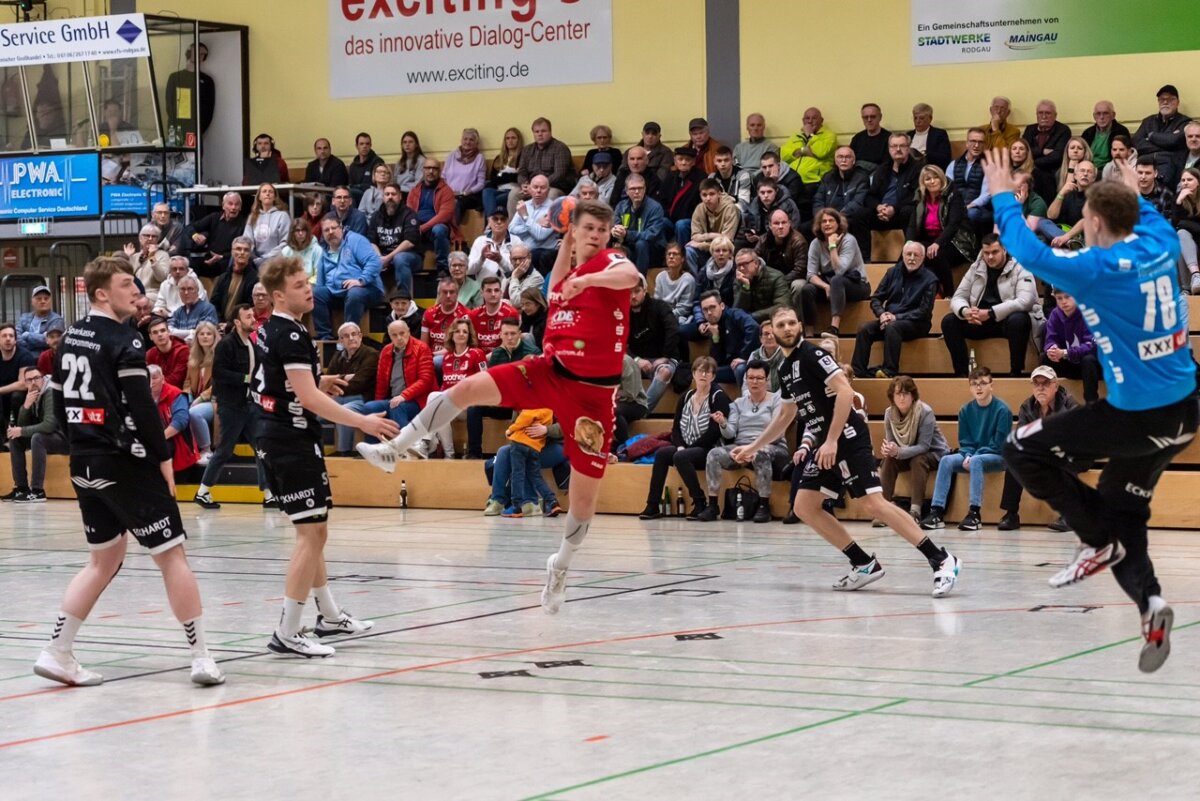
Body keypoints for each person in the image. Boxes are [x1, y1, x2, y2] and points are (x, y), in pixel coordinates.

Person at [357, 200, 641, 617]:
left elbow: (631, 275)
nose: (596, 235)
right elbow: (562, 274)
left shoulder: (609, 265)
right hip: (550, 372)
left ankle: (560, 566)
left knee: (583, 506)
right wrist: (568, 247)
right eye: (588, 229)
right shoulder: (561, 280)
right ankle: (394, 448)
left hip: (591, 399)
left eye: (602, 229)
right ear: (574, 232)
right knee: (467, 388)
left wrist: (588, 278)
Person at [989, 144, 1199, 670]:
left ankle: (1096, 540)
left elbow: (1032, 254)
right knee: (1123, 510)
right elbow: (1146, 214)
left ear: (1098, 223)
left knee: (1020, 449)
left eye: (1085, 217)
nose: (1082, 223)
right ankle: (1151, 606)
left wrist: (1003, 198)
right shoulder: (1158, 241)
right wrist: (1131, 191)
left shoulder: (1097, 267)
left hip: (1137, 416)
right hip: (1183, 415)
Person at [33, 256, 223, 687]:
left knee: (103, 561)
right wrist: (163, 459)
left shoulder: (67, 339)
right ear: (102, 293)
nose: (136, 293)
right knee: (172, 555)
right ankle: (201, 658)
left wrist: (83, 442)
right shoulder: (125, 339)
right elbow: (142, 407)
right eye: (126, 285)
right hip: (124, 459)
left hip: (84, 460)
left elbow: (58, 406)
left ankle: (57, 651)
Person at [733, 306, 962, 596]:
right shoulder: (784, 369)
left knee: (873, 504)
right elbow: (785, 416)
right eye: (781, 325)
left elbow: (845, 392)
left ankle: (941, 558)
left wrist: (831, 440)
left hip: (847, 437)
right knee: (804, 505)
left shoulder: (813, 355)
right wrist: (752, 446)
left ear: (800, 325)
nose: (788, 328)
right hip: (826, 443)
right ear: (772, 332)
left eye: (792, 322)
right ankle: (864, 563)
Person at [255, 256, 400, 658]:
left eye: (308, 282)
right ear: (279, 295)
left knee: (314, 530)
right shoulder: (291, 333)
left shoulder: (274, 328)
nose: (309, 290)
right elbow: (308, 399)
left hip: (280, 432)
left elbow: (281, 381)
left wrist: (319, 380)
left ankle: (330, 616)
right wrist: (364, 422)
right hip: (289, 437)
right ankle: (287, 631)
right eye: (300, 285)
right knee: (311, 533)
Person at [193, 305, 270, 510]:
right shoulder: (226, 344)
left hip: (250, 405)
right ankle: (202, 492)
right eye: (248, 316)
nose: (253, 319)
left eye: (253, 315)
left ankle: (269, 494)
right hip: (231, 406)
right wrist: (245, 378)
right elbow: (219, 373)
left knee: (262, 448)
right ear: (237, 322)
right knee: (225, 450)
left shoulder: (251, 343)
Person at [637, 356, 731, 521]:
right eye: (700, 371)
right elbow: (675, 429)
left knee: (681, 457)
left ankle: (699, 502)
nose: (703, 375)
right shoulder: (685, 397)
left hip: (709, 449)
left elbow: (714, 432)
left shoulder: (718, 397)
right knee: (662, 454)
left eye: (708, 372)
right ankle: (652, 505)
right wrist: (680, 446)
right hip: (686, 447)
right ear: (693, 374)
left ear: (713, 376)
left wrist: (688, 449)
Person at [919, 367, 1012, 531]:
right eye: (974, 384)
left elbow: (998, 444)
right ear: (970, 387)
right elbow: (965, 442)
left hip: (998, 457)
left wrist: (973, 455)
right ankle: (937, 512)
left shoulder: (1002, 410)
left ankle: (975, 514)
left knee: (976, 460)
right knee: (946, 460)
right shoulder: (965, 410)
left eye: (983, 383)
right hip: (974, 455)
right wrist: (968, 454)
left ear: (991, 385)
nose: (978, 387)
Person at [695, 359, 788, 523]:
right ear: (745, 380)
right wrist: (723, 423)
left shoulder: (777, 400)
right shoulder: (738, 403)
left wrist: (752, 448)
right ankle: (713, 505)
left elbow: (777, 432)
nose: (754, 382)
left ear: (767, 380)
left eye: (759, 378)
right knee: (714, 454)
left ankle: (764, 505)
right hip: (741, 446)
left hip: (772, 446)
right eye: (751, 378)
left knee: (761, 453)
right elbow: (730, 433)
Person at [941, 233, 1042, 377]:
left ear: (1004, 250)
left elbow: (1025, 301)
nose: (990, 257)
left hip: (1005, 322)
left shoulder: (1021, 267)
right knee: (949, 321)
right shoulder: (976, 267)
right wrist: (965, 311)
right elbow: (958, 297)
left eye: (995, 252)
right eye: (986, 253)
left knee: (1019, 319)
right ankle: (961, 374)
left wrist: (990, 313)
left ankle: (1016, 372)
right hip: (979, 321)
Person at [998, 365, 1079, 532]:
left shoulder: (1070, 404)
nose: (1040, 387)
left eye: (1046, 383)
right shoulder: (1027, 407)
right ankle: (1011, 515)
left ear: (1055, 386)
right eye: (1036, 383)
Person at [851, 240, 938, 379]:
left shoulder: (930, 279)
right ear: (903, 255)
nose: (911, 258)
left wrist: (896, 317)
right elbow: (876, 298)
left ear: (923, 258)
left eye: (916, 255)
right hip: (890, 320)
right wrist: (881, 314)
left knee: (893, 327)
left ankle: (889, 370)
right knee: (864, 329)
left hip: (917, 323)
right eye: (908, 254)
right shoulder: (892, 272)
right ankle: (857, 372)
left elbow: (924, 311)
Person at [877, 375, 948, 525]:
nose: (902, 398)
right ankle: (883, 510)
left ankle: (915, 510)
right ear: (892, 396)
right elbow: (892, 442)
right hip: (907, 454)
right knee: (889, 459)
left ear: (913, 395)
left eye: (906, 393)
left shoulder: (925, 411)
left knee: (918, 459)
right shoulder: (889, 413)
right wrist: (888, 449)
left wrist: (898, 452)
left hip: (935, 454)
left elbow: (924, 446)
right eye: (898, 394)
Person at [467, 317, 538, 459]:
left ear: (519, 334)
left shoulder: (532, 352)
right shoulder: (497, 353)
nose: (509, 338)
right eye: (506, 334)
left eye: (513, 334)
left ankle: (520, 453)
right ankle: (474, 454)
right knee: (474, 407)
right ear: (500, 335)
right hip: (503, 402)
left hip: (523, 404)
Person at [356, 319, 436, 434]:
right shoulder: (386, 351)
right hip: (394, 398)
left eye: (402, 333)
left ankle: (407, 443)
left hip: (418, 400)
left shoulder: (421, 348)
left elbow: (426, 380)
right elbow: (381, 383)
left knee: (397, 406)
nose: (399, 338)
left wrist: (404, 396)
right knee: (370, 407)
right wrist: (380, 403)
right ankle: (377, 444)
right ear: (390, 337)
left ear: (408, 332)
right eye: (394, 335)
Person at [312, 214, 384, 340]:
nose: (330, 232)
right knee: (316, 293)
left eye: (333, 228)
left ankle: (349, 336)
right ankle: (325, 337)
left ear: (341, 227)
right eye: (326, 230)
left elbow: (374, 261)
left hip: (367, 289)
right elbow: (320, 283)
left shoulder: (355, 240)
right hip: (337, 293)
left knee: (354, 293)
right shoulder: (324, 251)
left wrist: (361, 281)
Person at [908, 164, 976, 297]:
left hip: (957, 242)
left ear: (942, 178)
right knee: (908, 253)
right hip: (930, 241)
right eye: (928, 179)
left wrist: (937, 243)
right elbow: (912, 224)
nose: (932, 181)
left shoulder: (953, 195)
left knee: (936, 254)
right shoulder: (921, 198)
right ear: (923, 182)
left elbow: (953, 224)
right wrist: (909, 243)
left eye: (935, 177)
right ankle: (901, 293)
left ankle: (949, 294)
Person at [801, 208, 870, 337]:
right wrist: (825, 287)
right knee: (807, 289)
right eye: (824, 221)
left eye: (831, 220)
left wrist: (832, 246)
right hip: (830, 284)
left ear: (838, 223)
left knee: (836, 280)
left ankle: (834, 328)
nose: (827, 224)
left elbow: (840, 271)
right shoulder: (816, 243)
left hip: (856, 285)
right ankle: (809, 333)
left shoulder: (849, 240)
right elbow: (810, 274)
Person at [3, 367, 67, 504]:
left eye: (36, 378)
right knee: (15, 438)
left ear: (43, 379)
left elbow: (49, 425)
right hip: (50, 438)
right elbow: (22, 425)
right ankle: (21, 488)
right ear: (25, 383)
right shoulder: (32, 394)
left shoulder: (51, 392)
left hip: (65, 439)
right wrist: (26, 406)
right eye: (29, 380)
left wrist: (21, 430)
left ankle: (38, 491)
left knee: (38, 438)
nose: (33, 382)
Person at [629, 274, 680, 412]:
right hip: (637, 361)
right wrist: (636, 360)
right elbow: (618, 343)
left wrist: (665, 356)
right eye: (628, 292)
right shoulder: (622, 312)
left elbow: (673, 330)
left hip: (663, 359)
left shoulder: (660, 306)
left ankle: (641, 411)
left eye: (637, 291)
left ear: (645, 290)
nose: (633, 296)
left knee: (664, 371)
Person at [780, 107, 837, 227]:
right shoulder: (796, 136)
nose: (810, 121)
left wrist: (810, 135)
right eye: (807, 118)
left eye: (814, 118)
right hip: (794, 180)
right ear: (803, 120)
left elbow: (821, 151)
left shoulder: (829, 135)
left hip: (815, 180)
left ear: (821, 120)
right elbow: (783, 155)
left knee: (804, 208)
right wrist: (804, 150)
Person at [1043, 288, 1101, 403]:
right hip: (1069, 363)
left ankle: (1091, 404)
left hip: (1091, 366)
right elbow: (1050, 338)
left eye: (1067, 297)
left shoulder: (1088, 313)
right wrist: (1052, 349)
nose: (1064, 302)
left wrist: (1066, 353)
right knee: (1045, 359)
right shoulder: (1055, 314)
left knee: (1088, 360)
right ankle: (1048, 403)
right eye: (1059, 298)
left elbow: (1092, 345)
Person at [501, 407, 557, 517]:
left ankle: (516, 508)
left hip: (520, 443)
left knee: (517, 475)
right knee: (536, 476)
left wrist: (511, 429)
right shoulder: (550, 409)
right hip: (535, 447)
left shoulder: (533, 404)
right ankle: (552, 501)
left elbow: (525, 416)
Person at [694, 289, 759, 384]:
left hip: (750, 362)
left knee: (740, 368)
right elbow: (716, 362)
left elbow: (753, 327)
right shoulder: (712, 326)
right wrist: (715, 337)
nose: (709, 312)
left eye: (712, 307)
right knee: (707, 374)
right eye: (705, 309)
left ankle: (747, 393)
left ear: (722, 306)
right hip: (731, 364)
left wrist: (744, 356)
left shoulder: (735, 314)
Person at [866, 133, 923, 235]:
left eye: (902, 146)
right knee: (859, 214)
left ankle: (909, 244)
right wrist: (878, 207)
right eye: (894, 146)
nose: (898, 149)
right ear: (889, 149)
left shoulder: (918, 169)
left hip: (901, 213)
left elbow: (915, 197)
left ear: (908, 148)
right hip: (881, 213)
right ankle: (864, 246)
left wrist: (894, 209)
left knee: (908, 211)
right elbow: (871, 195)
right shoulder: (882, 169)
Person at [611, 173, 667, 273]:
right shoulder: (621, 206)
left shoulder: (655, 207)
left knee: (641, 244)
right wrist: (615, 231)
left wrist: (627, 234)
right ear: (627, 191)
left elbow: (651, 235)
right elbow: (616, 224)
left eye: (640, 188)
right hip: (630, 246)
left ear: (645, 189)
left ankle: (640, 279)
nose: (637, 192)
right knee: (608, 239)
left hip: (652, 249)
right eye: (633, 189)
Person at [1133, 84, 1191, 179]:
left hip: (1172, 170)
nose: (1165, 102)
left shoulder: (1185, 122)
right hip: (1146, 168)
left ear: (1178, 102)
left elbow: (1174, 140)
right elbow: (1137, 143)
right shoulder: (1148, 121)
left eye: (1170, 99)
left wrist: (1151, 136)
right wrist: (1166, 146)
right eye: (1162, 99)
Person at [1023, 100, 1073, 203]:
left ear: (1055, 115)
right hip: (1029, 167)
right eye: (1040, 113)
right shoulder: (1029, 129)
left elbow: (1057, 156)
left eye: (1048, 113)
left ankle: (1046, 207)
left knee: (1041, 176)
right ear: (1036, 115)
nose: (1044, 116)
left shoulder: (1063, 130)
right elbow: (1025, 151)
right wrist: (1042, 151)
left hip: (1052, 169)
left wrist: (1033, 162)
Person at [164, 41, 215, 142]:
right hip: (176, 128)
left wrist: (199, 130)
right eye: (197, 52)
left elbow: (208, 109)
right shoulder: (175, 77)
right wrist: (174, 127)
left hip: (195, 130)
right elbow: (169, 105)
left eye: (203, 54)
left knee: (193, 152)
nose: (200, 56)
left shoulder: (207, 80)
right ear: (189, 53)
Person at [687, 179, 742, 271]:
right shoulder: (699, 208)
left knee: (722, 251)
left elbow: (727, 240)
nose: (708, 198)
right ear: (700, 196)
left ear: (719, 194)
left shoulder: (731, 209)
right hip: (706, 249)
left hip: (724, 251)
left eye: (712, 194)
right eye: (704, 195)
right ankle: (697, 279)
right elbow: (694, 236)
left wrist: (701, 245)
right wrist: (712, 235)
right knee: (688, 250)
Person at [183, 320, 218, 464]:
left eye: (209, 334)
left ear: (214, 337)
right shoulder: (193, 357)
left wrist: (199, 399)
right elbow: (187, 382)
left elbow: (218, 384)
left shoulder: (219, 356)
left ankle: (206, 450)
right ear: (197, 337)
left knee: (194, 413)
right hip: (196, 398)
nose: (205, 337)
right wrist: (188, 396)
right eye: (202, 334)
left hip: (215, 400)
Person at [733, 248, 791, 325]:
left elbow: (782, 306)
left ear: (756, 263)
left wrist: (753, 316)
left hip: (772, 320)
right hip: (749, 322)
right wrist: (745, 287)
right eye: (738, 265)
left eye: (745, 264)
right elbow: (737, 311)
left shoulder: (776, 276)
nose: (741, 268)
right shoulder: (739, 280)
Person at [210, 238, 259, 325]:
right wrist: (219, 322)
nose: (242, 252)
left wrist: (230, 325)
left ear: (250, 254)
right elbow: (214, 304)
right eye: (238, 249)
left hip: (242, 326)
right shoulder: (223, 277)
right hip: (220, 325)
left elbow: (251, 307)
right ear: (232, 252)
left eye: (246, 250)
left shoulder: (256, 279)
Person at [468, 209, 523, 282]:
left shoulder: (516, 241)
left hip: (508, 286)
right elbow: (469, 270)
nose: (499, 222)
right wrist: (481, 258)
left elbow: (520, 269)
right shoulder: (479, 241)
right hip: (483, 286)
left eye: (503, 219)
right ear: (489, 221)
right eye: (495, 219)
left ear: (508, 222)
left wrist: (500, 260)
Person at [421, 275, 470, 355]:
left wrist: (434, 355)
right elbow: (424, 344)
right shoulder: (429, 313)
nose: (448, 296)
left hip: (454, 356)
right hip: (431, 355)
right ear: (438, 294)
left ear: (457, 294)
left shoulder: (465, 315)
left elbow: (461, 346)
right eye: (444, 292)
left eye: (452, 292)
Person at [444, 127, 487, 218]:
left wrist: (465, 192)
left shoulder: (479, 158)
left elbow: (481, 184)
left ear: (476, 143)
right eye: (465, 139)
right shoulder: (452, 155)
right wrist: (447, 192)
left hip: (466, 196)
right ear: (461, 140)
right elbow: (443, 176)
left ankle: (450, 226)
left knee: (454, 203)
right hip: (448, 193)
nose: (467, 142)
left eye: (471, 140)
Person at [124, 224, 170, 304]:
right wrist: (127, 257)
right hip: (135, 292)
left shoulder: (163, 255)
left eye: (154, 236)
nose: (150, 239)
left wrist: (152, 258)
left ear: (158, 240)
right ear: (140, 238)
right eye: (147, 236)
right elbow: (126, 276)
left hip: (153, 294)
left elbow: (162, 278)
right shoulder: (135, 256)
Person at [1081, 101, 1131, 174]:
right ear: (1094, 116)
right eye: (1098, 114)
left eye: (1105, 113)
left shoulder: (1121, 131)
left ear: (1113, 115)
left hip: (1110, 170)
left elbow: (1125, 155)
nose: (1101, 117)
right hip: (1088, 169)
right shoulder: (1088, 133)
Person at [484, 127, 523, 218]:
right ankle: (491, 221)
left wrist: (502, 176)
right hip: (499, 190)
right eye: (507, 138)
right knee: (486, 191)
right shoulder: (499, 158)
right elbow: (493, 179)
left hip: (512, 191)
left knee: (491, 201)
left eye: (513, 138)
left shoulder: (522, 157)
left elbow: (518, 177)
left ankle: (490, 222)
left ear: (519, 140)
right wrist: (510, 176)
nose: (510, 141)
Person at [1173, 166, 1200, 293]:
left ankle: (1187, 287)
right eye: (1183, 180)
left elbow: (1182, 223)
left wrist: (1185, 224)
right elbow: (1175, 225)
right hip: (1188, 243)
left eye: (1189, 180)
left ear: (1198, 182)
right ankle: (1194, 277)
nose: (1185, 183)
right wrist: (1179, 202)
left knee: (1182, 232)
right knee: (1181, 235)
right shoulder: (1178, 199)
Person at [16, 285, 65, 355]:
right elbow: (16, 338)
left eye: (46, 298)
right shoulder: (24, 317)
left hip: (46, 359)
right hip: (24, 358)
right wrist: (40, 338)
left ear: (50, 301)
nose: (43, 301)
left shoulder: (57, 320)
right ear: (32, 301)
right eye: (39, 299)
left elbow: (50, 341)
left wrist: (27, 335)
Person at [168, 276, 219, 342]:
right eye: (182, 289)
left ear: (197, 290)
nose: (186, 292)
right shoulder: (177, 312)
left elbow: (203, 333)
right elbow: (169, 332)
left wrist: (179, 333)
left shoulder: (208, 309)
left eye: (190, 289)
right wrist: (191, 331)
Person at [613, 353, 649, 447]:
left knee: (612, 411)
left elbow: (630, 393)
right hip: (612, 400)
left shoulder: (625, 361)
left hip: (635, 402)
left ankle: (626, 446)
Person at [146, 316, 189, 388]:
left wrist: (155, 384)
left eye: (163, 330)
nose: (159, 334)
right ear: (150, 337)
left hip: (179, 391)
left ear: (169, 332)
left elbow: (177, 379)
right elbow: (148, 377)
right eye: (155, 332)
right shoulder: (150, 354)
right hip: (157, 391)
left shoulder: (183, 351)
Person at [908, 102, 951, 169]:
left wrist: (925, 155)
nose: (917, 121)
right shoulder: (909, 135)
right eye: (915, 118)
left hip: (930, 169)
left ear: (930, 119)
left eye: (921, 118)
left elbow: (945, 158)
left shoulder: (939, 134)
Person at [347, 132, 385, 202]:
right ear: (356, 146)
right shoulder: (353, 165)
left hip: (372, 196)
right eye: (361, 144)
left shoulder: (378, 162)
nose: (364, 146)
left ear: (371, 145)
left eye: (367, 144)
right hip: (355, 196)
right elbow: (351, 185)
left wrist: (358, 187)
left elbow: (376, 185)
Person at [734, 113, 771, 179]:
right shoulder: (739, 148)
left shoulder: (770, 147)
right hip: (740, 179)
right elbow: (734, 167)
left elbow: (768, 168)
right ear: (747, 127)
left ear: (763, 127)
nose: (755, 128)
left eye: (759, 125)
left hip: (760, 180)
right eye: (752, 125)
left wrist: (749, 178)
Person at [392, 131, 426, 199]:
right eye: (405, 142)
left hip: (413, 194)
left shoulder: (421, 161)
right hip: (399, 193)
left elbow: (418, 184)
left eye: (410, 142)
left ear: (416, 145)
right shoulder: (399, 162)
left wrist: (399, 188)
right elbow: (394, 180)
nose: (407, 144)